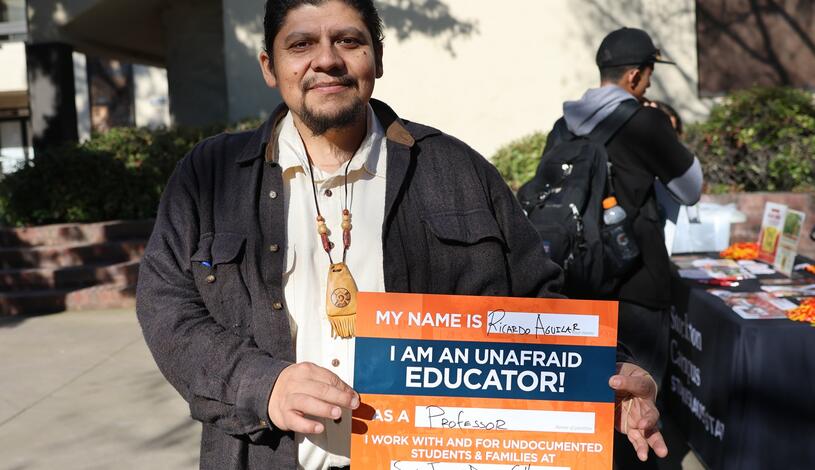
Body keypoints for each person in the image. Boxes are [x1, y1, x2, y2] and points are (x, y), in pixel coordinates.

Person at [136, 4, 667, 469]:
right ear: (270, 67)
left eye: (349, 40)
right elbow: (166, 307)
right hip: (266, 457)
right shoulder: (209, 175)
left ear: (378, 59)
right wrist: (261, 383)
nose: (327, 59)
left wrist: (606, 377)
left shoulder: (457, 171)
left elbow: (534, 301)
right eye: (301, 44)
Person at [550, 27, 703, 468]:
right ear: (635, 76)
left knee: (592, 407)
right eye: (650, 75)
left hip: (578, 282)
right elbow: (691, 188)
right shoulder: (644, 120)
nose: (650, 85)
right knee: (642, 406)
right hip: (638, 285)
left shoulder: (563, 124)